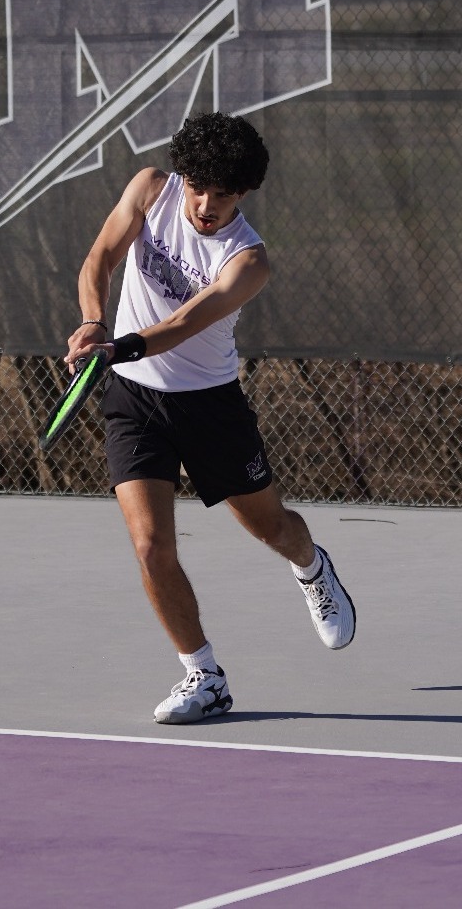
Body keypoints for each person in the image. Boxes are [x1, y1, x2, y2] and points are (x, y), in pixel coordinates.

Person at [65, 111, 356, 725]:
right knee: (149, 546)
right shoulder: (149, 189)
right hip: (132, 400)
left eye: (222, 195)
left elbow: (180, 326)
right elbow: (98, 260)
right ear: (182, 176)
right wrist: (94, 322)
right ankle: (204, 674)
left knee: (272, 529)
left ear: (242, 194)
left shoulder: (248, 260)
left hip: (209, 404)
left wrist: (119, 344)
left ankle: (312, 567)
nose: (205, 204)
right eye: (198, 187)